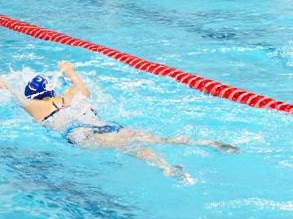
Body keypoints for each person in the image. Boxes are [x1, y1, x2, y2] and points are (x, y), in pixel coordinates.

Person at [1, 61, 237, 181]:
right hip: (103, 124)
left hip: (82, 133)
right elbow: (80, 85)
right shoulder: (73, 94)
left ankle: (165, 167)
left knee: (129, 147)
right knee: (155, 138)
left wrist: (7, 84)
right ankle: (202, 142)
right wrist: (68, 70)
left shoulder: (35, 108)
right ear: (52, 89)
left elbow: (12, 92)